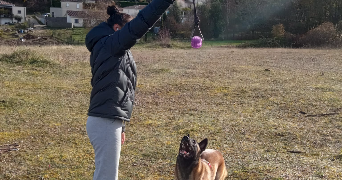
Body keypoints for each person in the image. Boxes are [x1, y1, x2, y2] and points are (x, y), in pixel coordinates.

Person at [85, 0, 174, 179]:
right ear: (118, 29)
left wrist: (121, 126)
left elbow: (114, 87)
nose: (133, 39)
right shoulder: (110, 45)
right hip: (105, 123)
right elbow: (142, 22)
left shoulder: (111, 48)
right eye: (127, 31)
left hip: (108, 121)